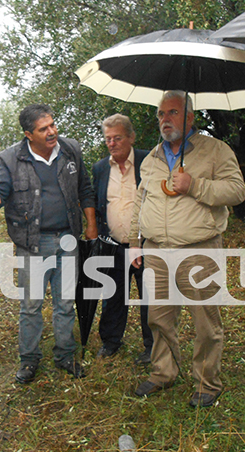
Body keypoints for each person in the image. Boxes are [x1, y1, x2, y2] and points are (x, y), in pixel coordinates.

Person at [128, 90, 245, 408]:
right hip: (155, 250)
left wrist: (194, 185)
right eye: (161, 115)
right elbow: (140, 200)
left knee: (206, 321)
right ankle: (163, 372)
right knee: (159, 318)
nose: (165, 119)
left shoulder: (215, 150)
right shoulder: (152, 157)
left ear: (190, 118)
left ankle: (207, 382)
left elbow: (237, 190)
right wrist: (132, 241)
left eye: (172, 113)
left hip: (199, 249)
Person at [0, 104, 97, 384]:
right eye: (44, 129)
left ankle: (65, 354)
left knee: (65, 302)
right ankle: (29, 360)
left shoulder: (70, 150)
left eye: (53, 125)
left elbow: (85, 189)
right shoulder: (10, 159)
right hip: (33, 243)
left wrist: (91, 224)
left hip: (68, 239)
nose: (52, 132)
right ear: (28, 134)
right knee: (31, 305)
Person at [92, 114, 153, 364]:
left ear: (131, 137)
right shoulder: (100, 168)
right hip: (113, 245)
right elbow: (98, 204)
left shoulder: (149, 161)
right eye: (108, 139)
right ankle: (111, 342)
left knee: (149, 296)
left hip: (145, 245)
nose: (112, 143)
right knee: (113, 295)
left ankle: (152, 346)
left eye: (117, 138)